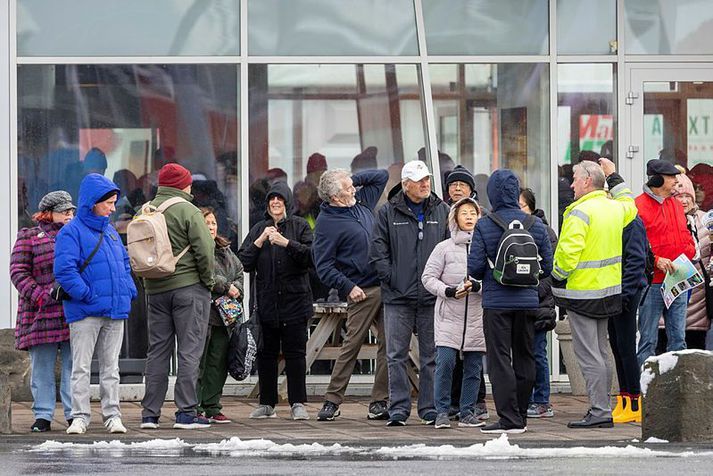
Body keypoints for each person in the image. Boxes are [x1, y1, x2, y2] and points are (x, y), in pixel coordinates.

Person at [551, 159, 636, 429]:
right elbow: (630, 204)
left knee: (589, 356)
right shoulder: (615, 208)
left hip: (583, 295)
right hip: (608, 294)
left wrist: (555, 276)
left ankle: (599, 410)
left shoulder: (578, 212)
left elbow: (567, 254)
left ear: (587, 181)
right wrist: (615, 176)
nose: (571, 184)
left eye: (574, 179)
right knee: (601, 352)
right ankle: (602, 409)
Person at [468, 169, 553, 434]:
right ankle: (522, 416)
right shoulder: (535, 224)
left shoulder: (485, 224)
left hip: (496, 303)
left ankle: (508, 418)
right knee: (526, 356)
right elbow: (548, 267)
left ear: (492, 193)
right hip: (528, 303)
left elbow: (474, 268)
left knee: (500, 359)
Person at [54, 174, 138, 434]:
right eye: (109, 203)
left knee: (111, 368)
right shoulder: (71, 232)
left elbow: (124, 263)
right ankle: (79, 416)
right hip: (85, 311)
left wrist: (128, 290)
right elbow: (65, 271)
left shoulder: (111, 232)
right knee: (80, 367)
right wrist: (87, 295)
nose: (113, 208)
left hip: (114, 309)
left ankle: (113, 416)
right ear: (93, 202)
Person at [369, 160, 450, 426]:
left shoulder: (442, 210)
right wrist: (390, 278)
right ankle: (399, 409)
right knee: (395, 355)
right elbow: (378, 250)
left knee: (431, 356)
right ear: (405, 185)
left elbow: (451, 248)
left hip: (431, 296)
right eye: (419, 180)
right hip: (397, 297)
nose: (425, 183)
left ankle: (428, 408)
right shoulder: (386, 213)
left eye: (427, 178)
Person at [140, 163, 216, 430]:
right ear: (184, 185)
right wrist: (209, 282)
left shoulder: (145, 210)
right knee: (189, 351)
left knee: (157, 351)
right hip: (189, 289)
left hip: (155, 290)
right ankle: (186, 412)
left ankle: (150, 414)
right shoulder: (188, 210)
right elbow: (205, 251)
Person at [312, 168, 390, 421]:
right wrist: (347, 287)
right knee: (351, 345)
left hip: (385, 285)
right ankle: (332, 401)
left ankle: (380, 401)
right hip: (361, 291)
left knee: (390, 345)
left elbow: (380, 176)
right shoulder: (326, 223)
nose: (354, 189)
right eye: (347, 188)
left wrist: (350, 180)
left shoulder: (361, 202)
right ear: (334, 197)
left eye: (352, 185)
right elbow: (323, 266)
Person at [238, 182, 313, 421]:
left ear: (287, 202)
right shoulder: (259, 228)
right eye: (272, 199)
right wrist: (260, 240)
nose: (275, 203)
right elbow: (243, 263)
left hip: (295, 302)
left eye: (280, 199)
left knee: (295, 354)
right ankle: (267, 402)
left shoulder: (300, 226)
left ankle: (297, 403)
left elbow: (311, 257)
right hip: (267, 304)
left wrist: (286, 243)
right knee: (266, 355)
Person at [10, 191, 76, 432]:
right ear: (49, 213)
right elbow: (18, 272)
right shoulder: (29, 236)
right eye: (65, 211)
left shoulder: (77, 234)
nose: (70, 215)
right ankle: (43, 415)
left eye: (71, 211)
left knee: (73, 365)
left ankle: (74, 414)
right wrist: (42, 295)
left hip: (71, 310)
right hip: (39, 312)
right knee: (42, 366)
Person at [422, 197, 486, 429]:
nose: (469, 217)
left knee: (473, 368)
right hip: (448, 316)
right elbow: (428, 278)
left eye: (473, 213)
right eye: (464, 213)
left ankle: (467, 411)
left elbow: (497, 279)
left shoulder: (486, 246)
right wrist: (448, 291)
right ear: (455, 219)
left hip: (477, 317)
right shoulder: (444, 248)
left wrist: (478, 287)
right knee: (445, 363)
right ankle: (442, 411)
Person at [635, 159, 696, 366]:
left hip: (677, 280)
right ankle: (644, 391)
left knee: (679, 339)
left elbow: (685, 234)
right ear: (658, 179)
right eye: (671, 178)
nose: (676, 183)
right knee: (648, 340)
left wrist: (689, 250)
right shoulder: (638, 206)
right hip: (652, 283)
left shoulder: (676, 205)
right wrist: (657, 261)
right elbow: (635, 247)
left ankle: (677, 390)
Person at [602, 164, 649, 425]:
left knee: (627, 348)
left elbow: (635, 262)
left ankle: (634, 401)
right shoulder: (618, 222)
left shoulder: (632, 222)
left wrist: (625, 295)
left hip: (626, 293)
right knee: (618, 347)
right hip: (615, 292)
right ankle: (624, 398)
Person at [443, 164, 489, 422]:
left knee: (473, 354)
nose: (457, 188)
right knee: (450, 357)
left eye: (462, 184)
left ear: (472, 190)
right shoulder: (442, 215)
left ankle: (475, 402)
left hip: (476, 298)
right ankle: (451, 402)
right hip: (451, 299)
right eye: (452, 184)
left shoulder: (481, 218)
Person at [196, 207, 244, 424]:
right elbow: (205, 275)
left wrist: (236, 287)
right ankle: (194, 406)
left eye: (213, 223)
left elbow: (240, 271)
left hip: (225, 317)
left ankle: (213, 405)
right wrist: (226, 287)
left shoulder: (225, 249)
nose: (211, 227)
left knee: (218, 363)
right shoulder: (195, 248)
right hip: (202, 314)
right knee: (199, 363)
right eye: (206, 223)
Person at [518, 188, 558, 419]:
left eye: (521, 206)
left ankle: (542, 400)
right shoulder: (508, 230)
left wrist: (534, 292)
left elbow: (551, 271)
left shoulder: (544, 232)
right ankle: (524, 398)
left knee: (537, 352)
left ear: (531, 207)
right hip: (516, 301)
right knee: (520, 352)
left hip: (539, 302)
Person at [660, 174, 711, 350]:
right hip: (668, 299)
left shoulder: (706, 222)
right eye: (678, 196)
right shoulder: (662, 221)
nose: (683, 201)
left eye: (687, 196)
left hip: (698, 309)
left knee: (695, 355)